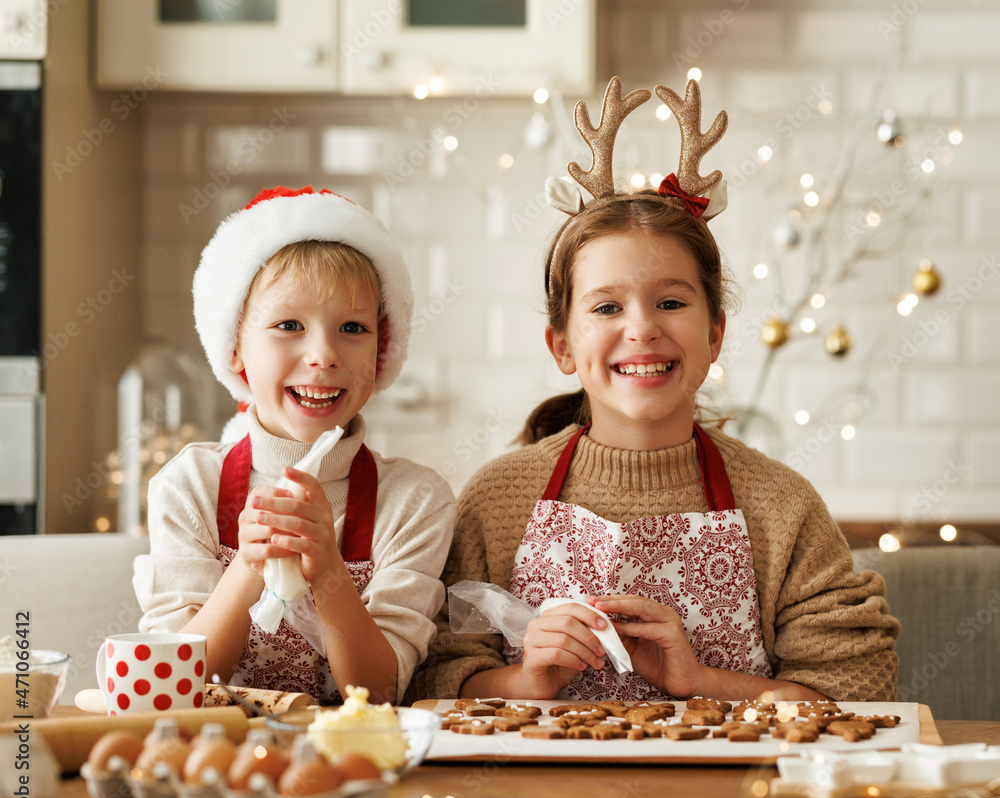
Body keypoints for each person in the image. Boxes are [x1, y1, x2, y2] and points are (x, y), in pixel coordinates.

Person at [409, 79, 898, 704]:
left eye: (670, 301)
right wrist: (527, 680)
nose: (641, 328)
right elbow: (432, 681)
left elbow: (855, 691)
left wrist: (702, 683)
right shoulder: (496, 502)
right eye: (607, 306)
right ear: (562, 346)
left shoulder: (783, 510)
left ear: (714, 335)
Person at [134, 186, 456, 705]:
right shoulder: (188, 486)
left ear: (381, 352)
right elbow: (178, 685)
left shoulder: (415, 501)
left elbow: (377, 693)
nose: (324, 354)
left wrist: (328, 571)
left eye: (353, 327)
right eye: (289, 325)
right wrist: (247, 567)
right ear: (235, 348)